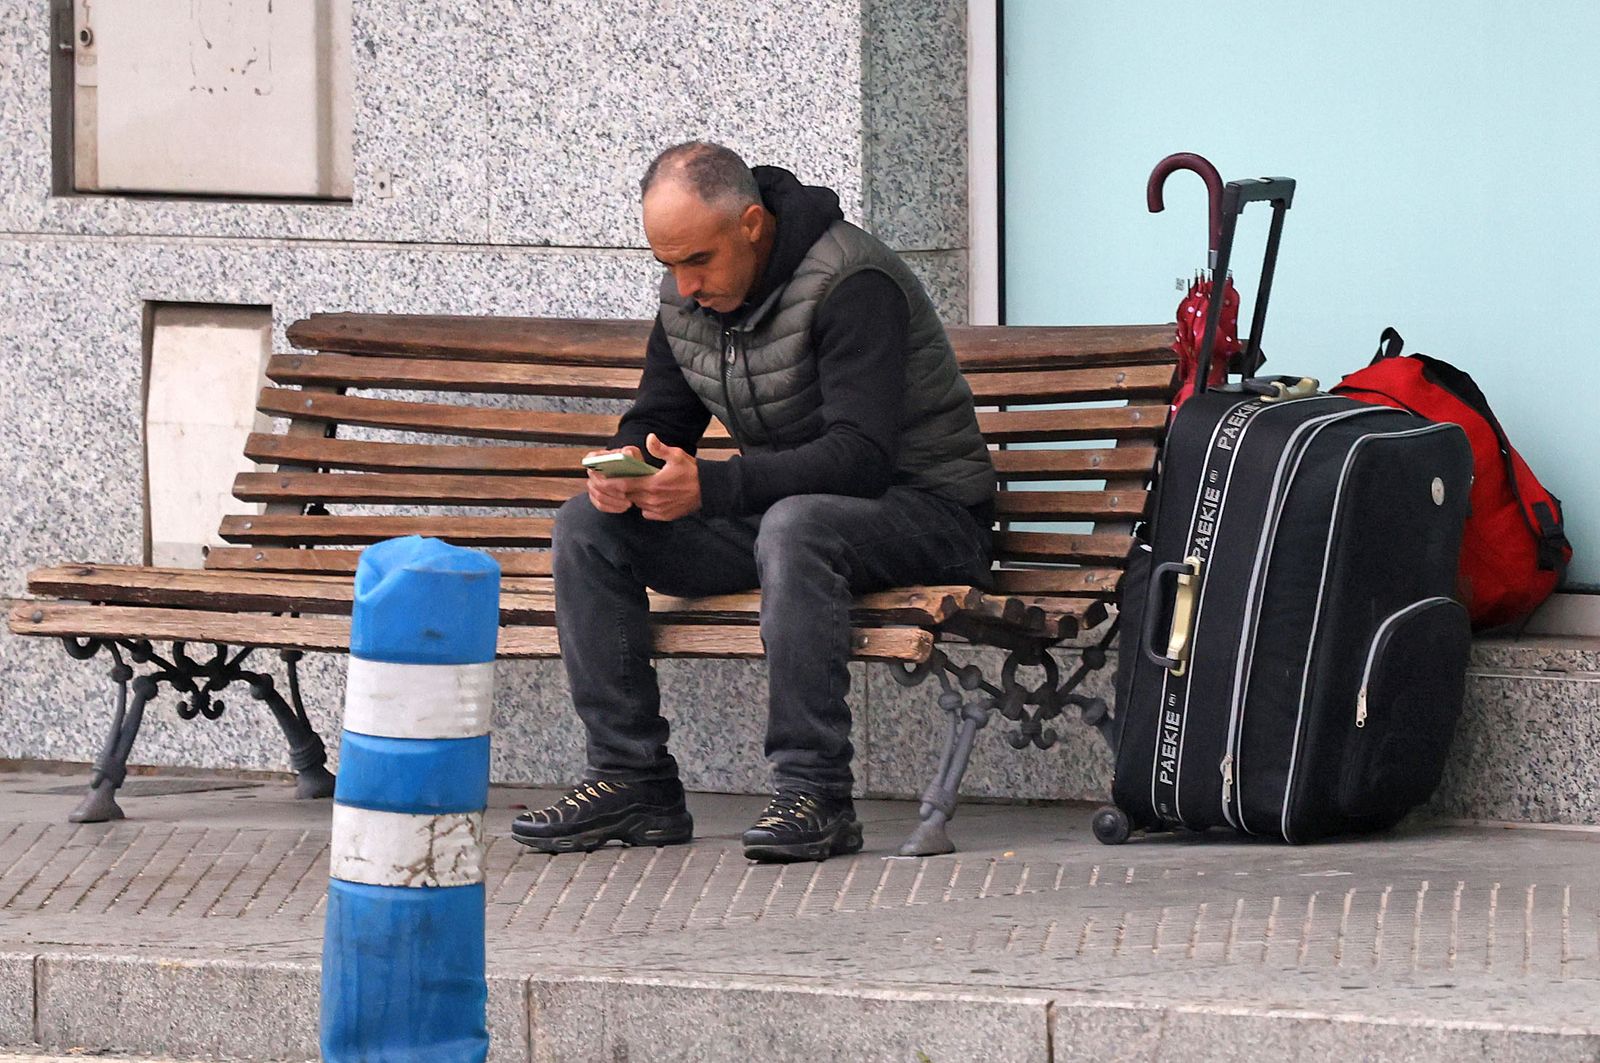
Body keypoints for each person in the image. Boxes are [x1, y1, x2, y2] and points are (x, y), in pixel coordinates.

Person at [511, 141, 996, 863]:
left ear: (750, 224)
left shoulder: (852, 279)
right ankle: (631, 776)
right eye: (668, 265)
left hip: (926, 511)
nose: (683, 286)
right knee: (589, 525)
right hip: (786, 516)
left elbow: (860, 457)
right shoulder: (690, 301)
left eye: (697, 261)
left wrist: (711, 485)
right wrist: (626, 469)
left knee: (796, 526)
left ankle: (816, 792)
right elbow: (658, 419)